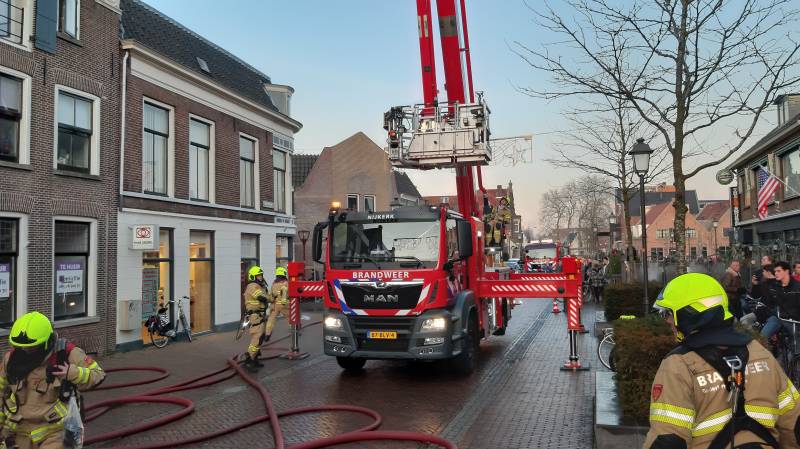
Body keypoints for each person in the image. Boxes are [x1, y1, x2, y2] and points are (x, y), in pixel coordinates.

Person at [644, 273, 800, 449]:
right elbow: (793, 425)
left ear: (688, 314)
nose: (666, 320)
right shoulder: (760, 353)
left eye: (667, 313)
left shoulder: (678, 365)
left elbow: (668, 440)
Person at [0, 311, 105, 449]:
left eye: (31, 347)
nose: (25, 350)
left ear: (46, 341)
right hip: (18, 432)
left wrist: (72, 372)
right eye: (21, 347)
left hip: (54, 432)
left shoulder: (66, 354)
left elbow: (98, 374)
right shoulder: (12, 359)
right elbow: (1, 391)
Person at [243, 265, 270, 370]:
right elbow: (261, 297)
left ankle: (255, 358)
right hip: (255, 316)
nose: (260, 277)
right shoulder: (252, 286)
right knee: (257, 337)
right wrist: (270, 299)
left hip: (260, 315)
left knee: (260, 337)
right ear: (253, 277)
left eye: (261, 275)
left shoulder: (260, 286)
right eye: (258, 276)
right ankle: (249, 360)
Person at [265, 267, 290, 342]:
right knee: (290, 318)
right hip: (284, 304)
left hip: (274, 305)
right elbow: (288, 295)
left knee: (271, 320)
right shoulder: (286, 283)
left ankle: (267, 334)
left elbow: (271, 295)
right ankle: (294, 331)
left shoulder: (274, 283)